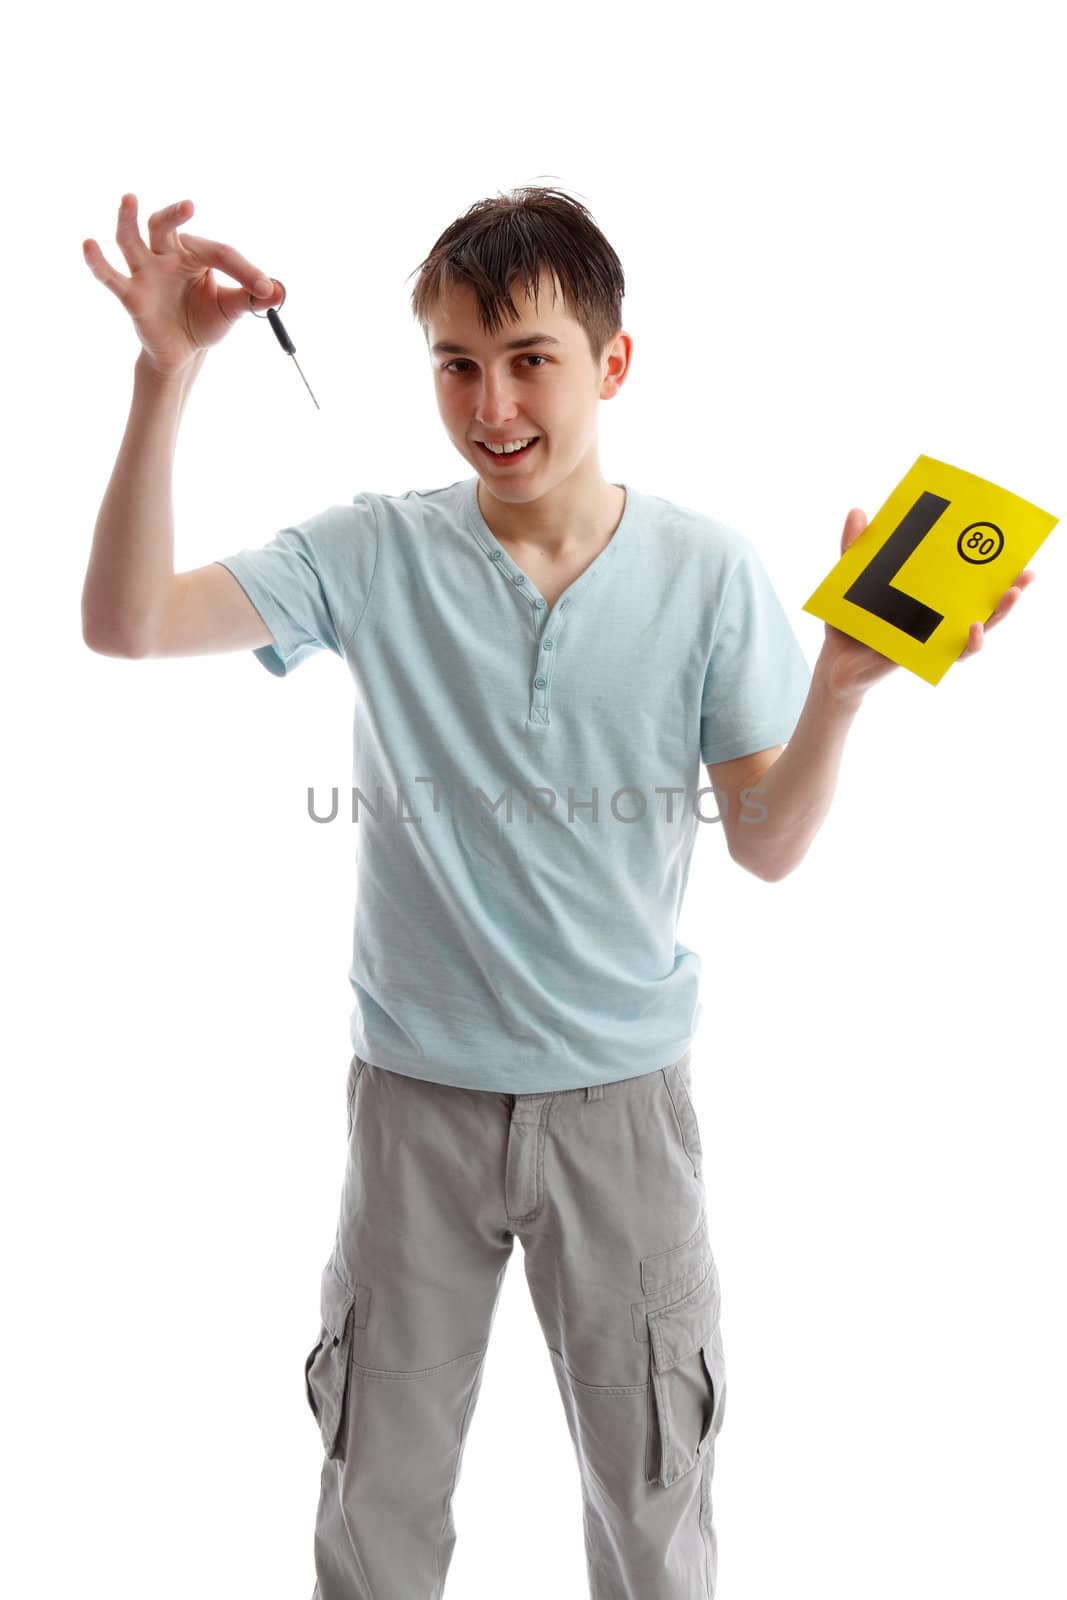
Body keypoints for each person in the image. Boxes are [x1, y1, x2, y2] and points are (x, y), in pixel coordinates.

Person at [81, 184, 1030, 1600]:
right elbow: (128, 622)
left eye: (530, 359)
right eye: (457, 365)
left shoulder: (708, 570)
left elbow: (766, 845)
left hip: (622, 1112)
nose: (492, 404)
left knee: (655, 1513)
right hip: (415, 1103)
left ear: (612, 363)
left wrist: (836, 694)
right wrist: (168, 374)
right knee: (375, 1501)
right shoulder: (371, 551)